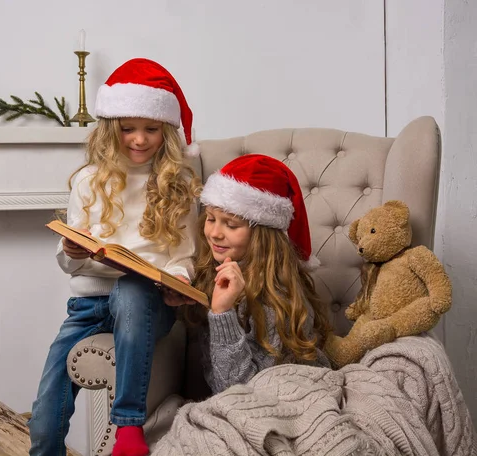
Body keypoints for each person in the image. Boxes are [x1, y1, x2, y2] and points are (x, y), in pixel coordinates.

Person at [28, 58, 201, 456]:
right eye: (127, 129)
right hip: (87, 306)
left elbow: (185, 257)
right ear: (111, 129)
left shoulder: (179, 183)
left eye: (150, 129)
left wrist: (179, 280)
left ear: (166, 131)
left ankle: (128, 431)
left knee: (131, 290)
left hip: (148, 303)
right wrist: (72, 250)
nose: (139, 140)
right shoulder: (90, 180)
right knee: (43, 418)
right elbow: (69, 260)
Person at [184, 154, 331, 395]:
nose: (215, 233)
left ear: (262, 236)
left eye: (231, 225)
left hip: (278, 399)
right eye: (210, 219)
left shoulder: (277, 299)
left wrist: (222, 314)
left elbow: (242, 393)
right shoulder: (212, 272)